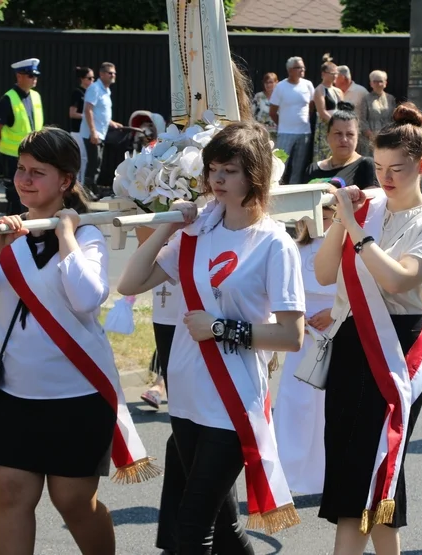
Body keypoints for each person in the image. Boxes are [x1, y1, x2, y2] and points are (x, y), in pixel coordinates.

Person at [0, 127, 157, 555]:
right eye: (21, 170)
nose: (25, 180)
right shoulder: (4, 230)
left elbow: (86, 298)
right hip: (16, 392)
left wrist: (66, 233)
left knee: (72, 502)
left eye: (38, 172)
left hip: (78, 394)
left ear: (65, 181)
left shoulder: (86, 236)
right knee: (12, 497)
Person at [118, 121, 306, 554]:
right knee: (223, 529)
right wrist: (168, 226)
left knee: (191, 532)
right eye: (213, 169)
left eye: (230, 171)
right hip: (186, 395)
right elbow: (131, 283)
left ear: (255, 176)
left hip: (234, 400)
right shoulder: (199, 229)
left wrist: (222, 329)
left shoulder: (274, 244)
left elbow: (291, 336)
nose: (217, 179)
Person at [313, 102, 422, 555]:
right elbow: (322, 272)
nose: (386, 178)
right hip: (352, 343)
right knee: (366, 468)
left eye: (398, 169)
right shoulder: (367, 207)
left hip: (399, 348)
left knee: (368, 466)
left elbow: (397, 278)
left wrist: (357, 230)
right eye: (379, 167)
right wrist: (342, 222)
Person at [273, 206, 337, 495]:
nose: (319, 221)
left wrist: (334, 314)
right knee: (295, 402)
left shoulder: (345, 247)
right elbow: (283, 291)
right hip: (302, 335)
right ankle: (287, 472)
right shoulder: (294, 248)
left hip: (334, 334)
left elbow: (358, 289)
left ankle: (326, 475)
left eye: (326, 214)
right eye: (313, 214)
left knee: (328, 408)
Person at [0, 58, 45, 216]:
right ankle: (13, 235)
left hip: (33, 156)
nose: (34, 79)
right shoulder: (8, 99)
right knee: (15, 199)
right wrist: (6, 149)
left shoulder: (35, 96)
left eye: (35, 76)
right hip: (13, 158)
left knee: (32, 197)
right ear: (19, 76)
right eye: (30, 75)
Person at [304, 102, 375, 189]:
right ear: (327, 136)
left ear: (357, 137)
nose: (344, 139)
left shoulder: (366, 165)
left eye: (349, 134)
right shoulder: (313, 169)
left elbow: (372, 200)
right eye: (338, 133)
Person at [270, 56, 315, 185]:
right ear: (290, 70)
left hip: (304, 133)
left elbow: (311, 106)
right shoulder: (281, 87)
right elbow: (272, 111)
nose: (302, 69)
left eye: (303, 67)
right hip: (285, 133)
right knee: (279, 164)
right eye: (298, 67)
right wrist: (284, 124)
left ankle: (294, 190)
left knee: (299, 166)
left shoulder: (308, 85)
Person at [81, 62, 122, 199]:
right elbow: (88, 110)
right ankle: (87, 191)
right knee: (94, 163)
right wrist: (93, 132)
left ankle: (91, 190)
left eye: (114, 73)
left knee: (97, 163)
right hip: (93, 133)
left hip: (101, 133)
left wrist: (112, 123)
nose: (113, 75)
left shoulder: (106, 90)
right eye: (110, 73)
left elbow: (101, 113)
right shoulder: (95, 88)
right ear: (102, 74)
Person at [312, 55, 344, 164]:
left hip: (338, 127)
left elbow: (343, 109)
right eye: (332, 73)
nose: (335, 76)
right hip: (325, 127)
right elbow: (322, 112)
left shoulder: (338, 91)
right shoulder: (319, 90)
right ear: (324, 74)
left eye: (336, 73)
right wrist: (335, 124)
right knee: (323, 155)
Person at [359, 70, 396, 155]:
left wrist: (390, 134)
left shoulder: (391, 99)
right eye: (375, 81)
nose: (378, 84)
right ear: (371, 83)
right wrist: (372, 136)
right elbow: (363, 120)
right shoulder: (366, 99)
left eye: (380, 81)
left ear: (385, 83)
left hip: (387, 137)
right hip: (370, 140)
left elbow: (393, 118)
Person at [70, 66, 94, 188]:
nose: (92, 81)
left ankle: (81, 186)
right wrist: (87, 116)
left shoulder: (90, 93)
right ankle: (77, 186)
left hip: (86, 131)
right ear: (82, 79)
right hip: (77, 131)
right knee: (80, 159)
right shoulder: (77, 93)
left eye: (93, 78)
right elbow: (72, 113)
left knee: (85, 159)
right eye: (89, 78)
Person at [253, 72, 279, 139]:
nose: (268, 85)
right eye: (266, 82)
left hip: (276, 133)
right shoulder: (258, 96)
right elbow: (251, 113)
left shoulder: (280, 98)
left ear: (276, 83)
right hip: (260, 132)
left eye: (270, 82)